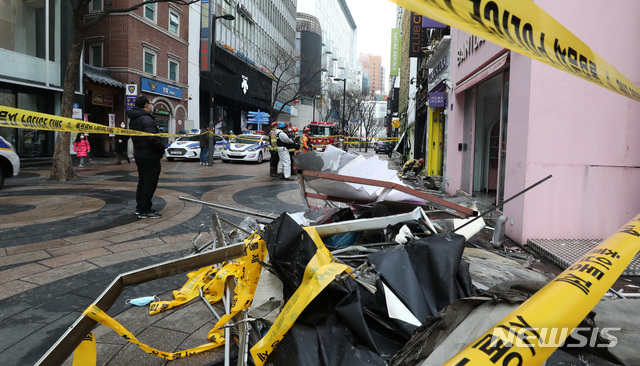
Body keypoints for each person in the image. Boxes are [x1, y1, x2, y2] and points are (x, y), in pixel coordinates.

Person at [127, 96, 165, 219]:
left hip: (140, 154)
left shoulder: (134, 119)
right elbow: (151, 138)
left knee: (143, 182)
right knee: (149, 183)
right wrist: (161, 147)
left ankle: (141, 207)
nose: (151, 105)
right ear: (145, 105)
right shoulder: (146, 119)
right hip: (149, 155)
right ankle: (145, 209)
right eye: (150, 103)